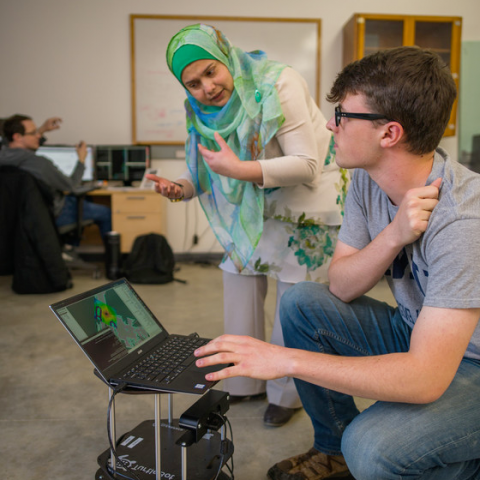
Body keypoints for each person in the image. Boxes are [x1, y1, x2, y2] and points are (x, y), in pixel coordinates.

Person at [193, 45, 480, 480]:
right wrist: (394, 235)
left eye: (343, 116)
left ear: (389, 134)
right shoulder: (367, 179)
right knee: (303, 302)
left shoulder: (462, 220)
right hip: (417, 331)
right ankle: (333, 452)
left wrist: (286, 360)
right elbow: (341, 285)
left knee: (373, 447)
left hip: (470, 362)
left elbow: (425, 378)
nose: (330, 125)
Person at [146, 24, 349, 427]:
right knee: (238, 288)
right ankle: (242, 383)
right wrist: (180, 188)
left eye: (211, 72)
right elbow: (205, 173)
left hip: (307, 203)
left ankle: (287, 394)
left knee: (294, 307)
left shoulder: (279, 82)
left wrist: (239, 169)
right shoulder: (199, 109)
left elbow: (306, 163)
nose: (206, 87)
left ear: (225, 58)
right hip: (252, 208)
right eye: (193, 83)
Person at [0, 114, 112, 244]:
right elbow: (71, 185)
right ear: (17, 137)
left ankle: (67, 250)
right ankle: (112, 262)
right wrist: (81, 160)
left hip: (13, 217)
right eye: (33, 133)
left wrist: (42, 130)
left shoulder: (4, 158)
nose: (38, 136)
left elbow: (17, 149)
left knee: (85, 199)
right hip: (48, 215)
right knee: (105, 212)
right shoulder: (40, 164)